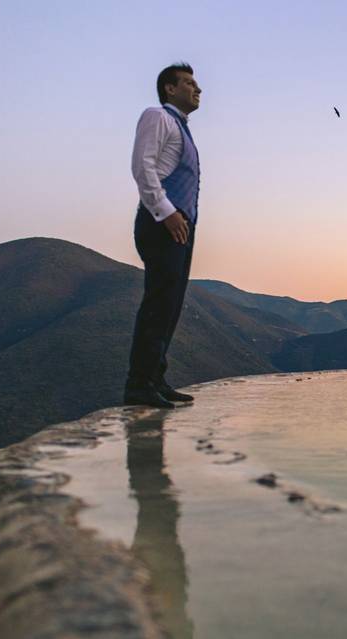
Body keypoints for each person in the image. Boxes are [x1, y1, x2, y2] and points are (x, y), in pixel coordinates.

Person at [124, 63, 202, 408]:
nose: (197, 89)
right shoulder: (157, 117)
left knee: (171, 305)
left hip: (181, 226)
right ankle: (139, 385)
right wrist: (166, 212)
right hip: (162, 223)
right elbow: (144, 166)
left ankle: (156, 378)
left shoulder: (183, 129)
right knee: (158, 304)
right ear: (169, 89)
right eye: (188, 83)